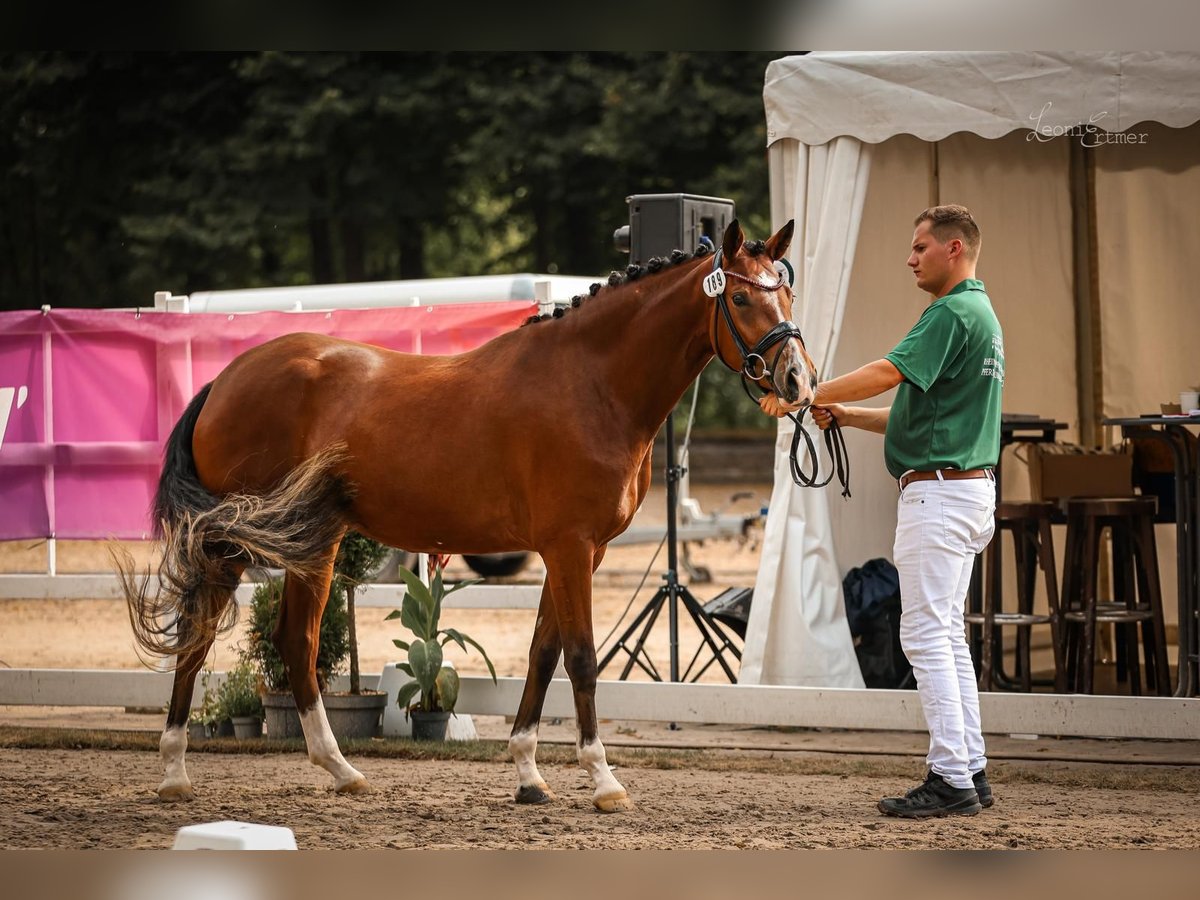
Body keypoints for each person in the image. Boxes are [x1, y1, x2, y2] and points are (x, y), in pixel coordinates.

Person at [761, 204, 1003, 818]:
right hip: (966, 488)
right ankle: (969, 767)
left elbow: (886, 373)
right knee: (947, 636)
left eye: (921, 246)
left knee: (925, 634)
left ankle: (951, 776)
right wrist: (841, 415)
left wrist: (808, 391)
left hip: (939, 495)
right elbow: (911, 414)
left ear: (954, 249)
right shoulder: (983, 315)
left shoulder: (950, 312)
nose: (910, 257)